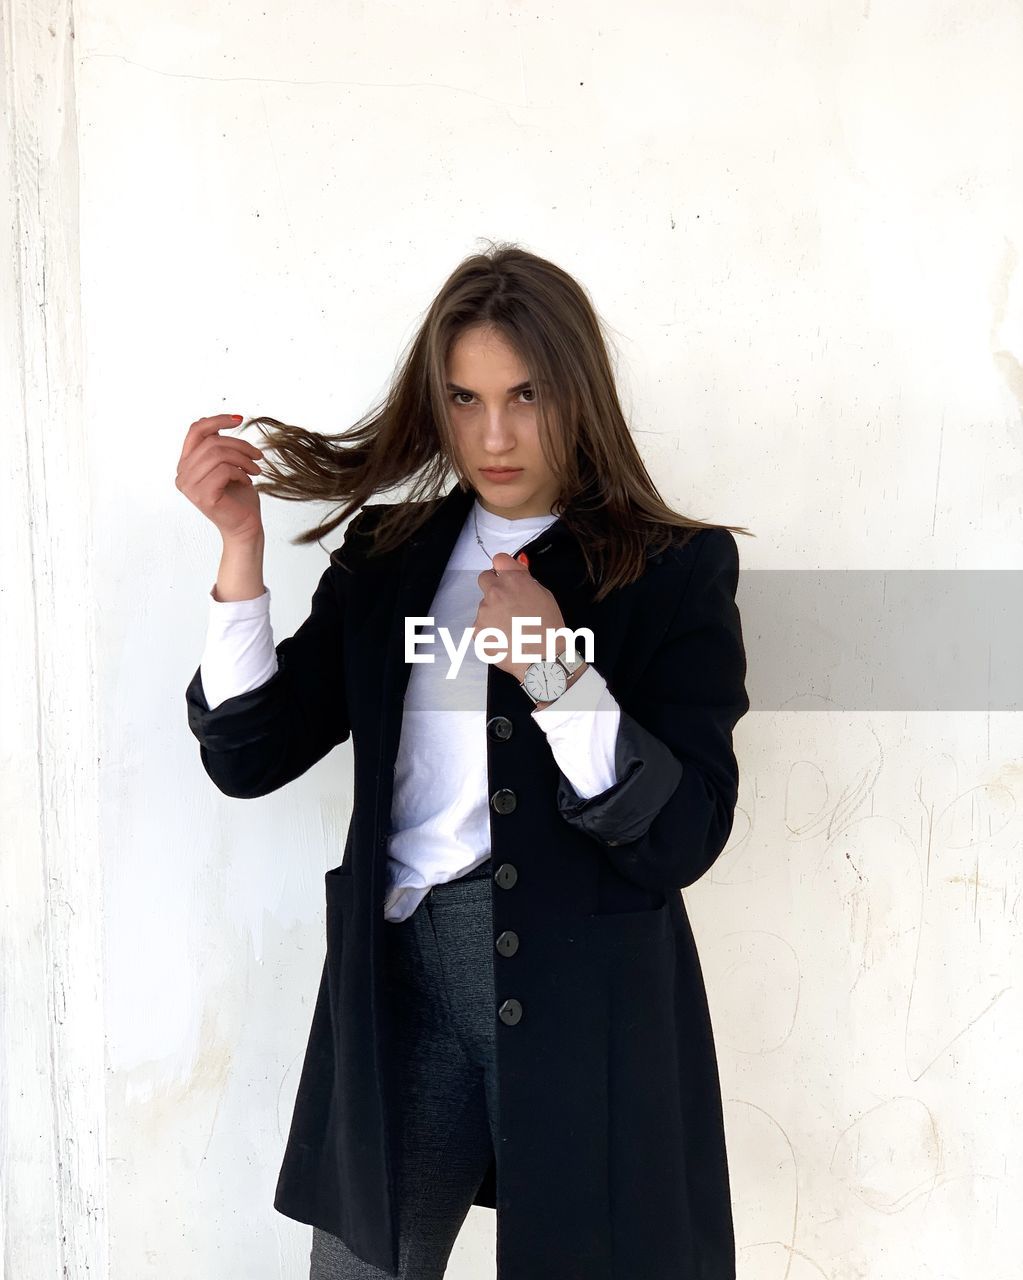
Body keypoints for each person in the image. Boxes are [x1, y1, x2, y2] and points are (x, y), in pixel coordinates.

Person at [177, 242, 752, 1280]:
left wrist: (559, 677)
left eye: (526, 394)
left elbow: (687, 831)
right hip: (402, 988)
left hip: (587, 1001)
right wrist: (239, 549)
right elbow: (249, 752)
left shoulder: (669, 571)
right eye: (466, 397)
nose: (494, 433)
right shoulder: (389, 558)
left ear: (577, 392)